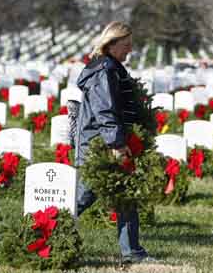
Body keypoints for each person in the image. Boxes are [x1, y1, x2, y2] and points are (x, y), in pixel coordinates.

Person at [75, 21, 156, 264]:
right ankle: (46, 227)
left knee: (125, 194)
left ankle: (132, 251)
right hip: (100, 144)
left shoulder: (113, 67)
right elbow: (105, 110)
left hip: (110, 141)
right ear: (111, 43)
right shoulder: (104, 70)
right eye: (126, 44)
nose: (130, 49)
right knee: (83, 196)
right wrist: (117, 144)